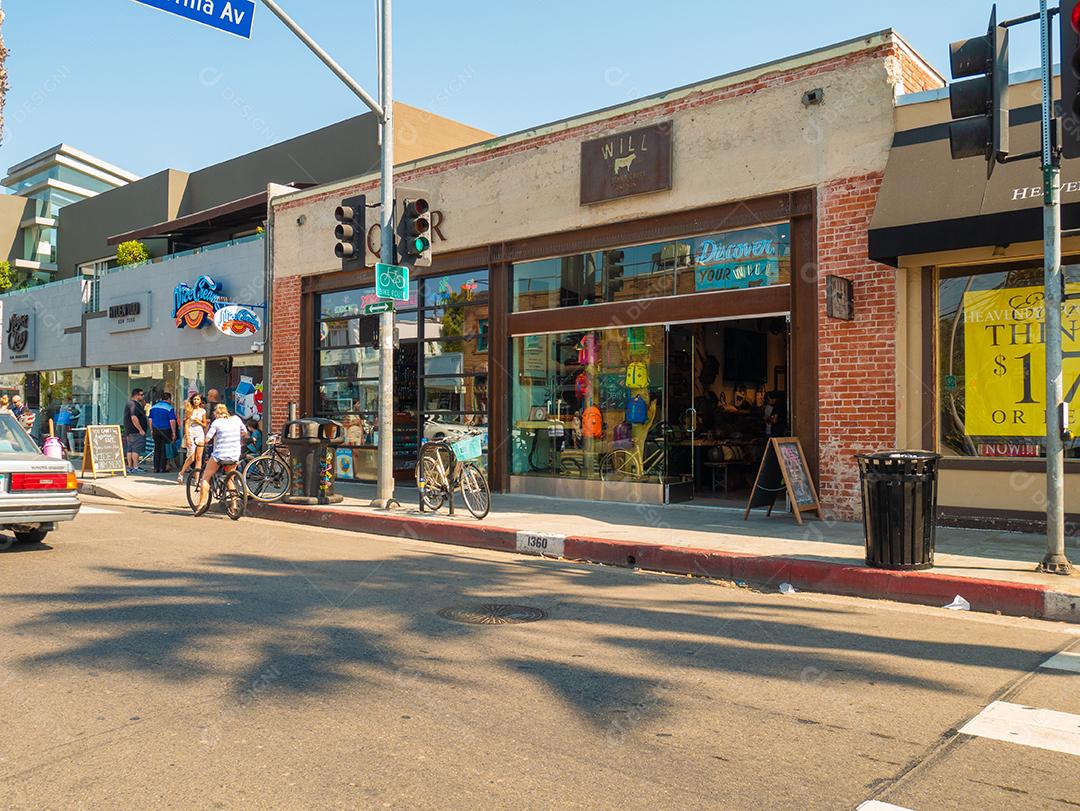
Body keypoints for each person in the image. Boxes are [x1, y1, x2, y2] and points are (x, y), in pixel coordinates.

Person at [198, 404, 248, 511]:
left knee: (206, 477)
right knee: (230, 478)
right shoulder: (236, 419)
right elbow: (244, 432)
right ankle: (234, 505)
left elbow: (207, 438)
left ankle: (201, 504)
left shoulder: (216, 422)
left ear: (216, 414)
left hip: (220, 454)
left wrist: (200, 442)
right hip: (234, 454)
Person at [177, 393, 208, 483]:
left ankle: (197, 479)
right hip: (191, 433)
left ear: (200, 401)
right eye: (194, 399)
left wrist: (198, 421)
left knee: (199, 457)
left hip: (200, 434)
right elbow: (186, 424)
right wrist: (187, 437)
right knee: (192, 457)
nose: (196, 401)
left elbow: (205, 424)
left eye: (198, 399)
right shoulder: (189, 410)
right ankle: (181, 472)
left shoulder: (203, 411)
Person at [149, 392, 179, 474]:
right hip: (166, 430)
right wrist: (174, 432)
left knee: (157, 448)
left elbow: (150, 419)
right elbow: (172, 421)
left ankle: (156, 467)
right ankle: (162, 468)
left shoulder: (153, 407)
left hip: (156, 429)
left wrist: (151, 430)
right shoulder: (169, 408)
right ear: (169, 399)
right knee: (164, 449)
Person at [123, 388, 148, 473]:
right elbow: (134, 417)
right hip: (135, 431)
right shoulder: (133, 404)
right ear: (136, 395)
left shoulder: (132, 404)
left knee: (130, 449)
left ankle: (130, 467)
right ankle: (136, 467)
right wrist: (140, 429)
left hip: (130, 431)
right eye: (141, 395)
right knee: (136, 449)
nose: (142, 396)